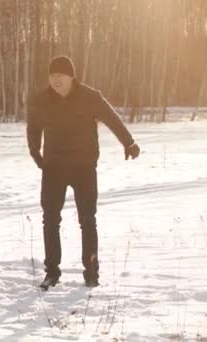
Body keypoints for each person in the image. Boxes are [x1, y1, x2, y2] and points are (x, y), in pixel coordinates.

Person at [27, 56, 141, 290]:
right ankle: (52, 273)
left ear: (71, 76)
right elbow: (33, 127)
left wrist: (128, 142)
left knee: (87, 221)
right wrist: (35, 153)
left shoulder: (90, 97)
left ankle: (91, 272)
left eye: (60, 75)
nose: (55, 80)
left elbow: (112, 118)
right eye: (52, 75)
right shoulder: (41, 100)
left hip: (83, 168)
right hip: (54, 169)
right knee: (50, 220)